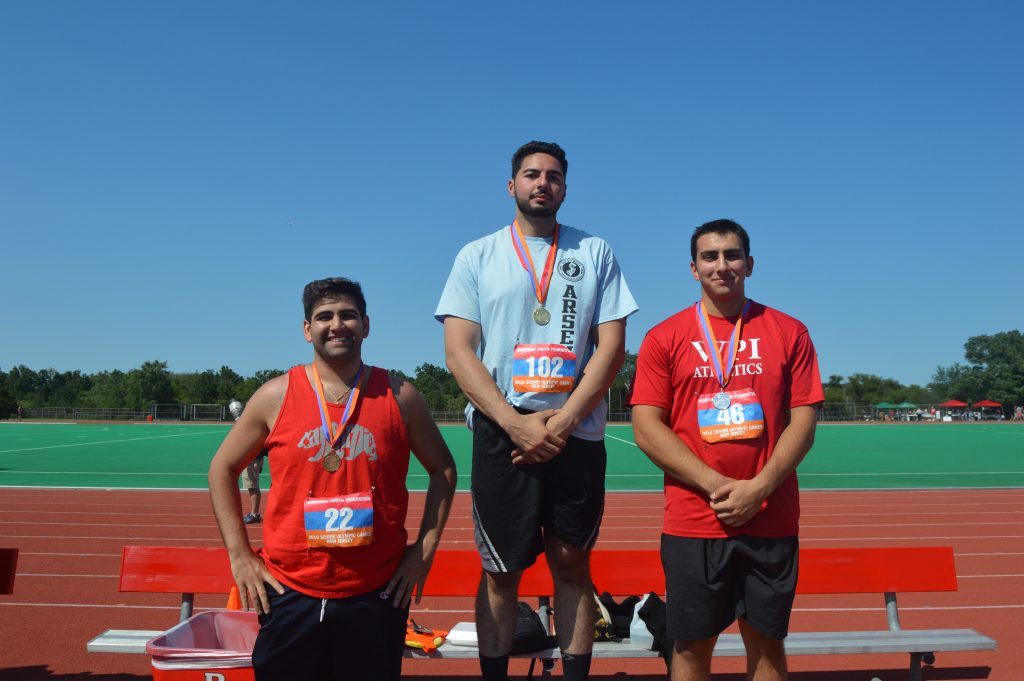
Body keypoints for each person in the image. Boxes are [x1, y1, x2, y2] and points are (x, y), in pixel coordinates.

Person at [436, 141, 638, 681]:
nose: (541, 183)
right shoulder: (476, 255)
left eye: (552, 176)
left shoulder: (596, 252)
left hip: (576, 435)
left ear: (565, 188)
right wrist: (515, 422)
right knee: (501, 572)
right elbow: (458, 350)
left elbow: (612, 347)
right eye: (530, 174)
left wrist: (566, 420)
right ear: (512, 186)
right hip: (506, 435)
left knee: (572, 565)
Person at [209, 277, 457, 681]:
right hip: (289, 590)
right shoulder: (276, 395)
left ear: (366, 324)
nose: (337, 325)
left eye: (348, 315)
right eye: (324, 317)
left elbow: (444, 470)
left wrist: (424, 550)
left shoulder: (399, 395)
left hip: (376, 589)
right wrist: (239, 554)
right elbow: (222, 468)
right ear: (307, 330)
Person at [630, 219, 823, 681]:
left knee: (767, 644)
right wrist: (721, 487)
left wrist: (758, 488)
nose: (722, 266)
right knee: (691, 646)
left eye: (732, 255)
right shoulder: (665, 337)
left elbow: (805, 420)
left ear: (750, 264)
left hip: (770, 515)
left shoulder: (788, 331)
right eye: (710, 257)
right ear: (693, 269)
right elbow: (646, 427)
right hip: (695, 519)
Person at [228, 399, 267, 524]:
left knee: (252, 487)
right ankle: (254, 512)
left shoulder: (246, 424)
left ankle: (254, 514)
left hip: (252, 459)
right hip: (256, 458)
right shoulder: (254, 423)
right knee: (253, 486)